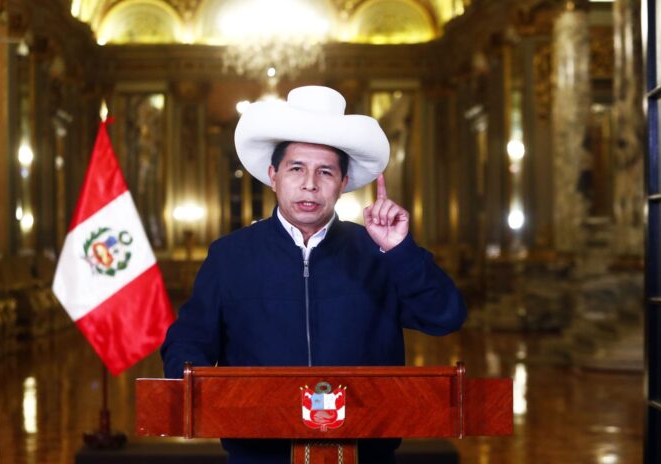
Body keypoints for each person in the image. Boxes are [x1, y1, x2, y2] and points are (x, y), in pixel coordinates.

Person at [161, 85, 467, 464]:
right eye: (296, 169)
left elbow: (445, 317)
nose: (310, 183)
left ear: (342, 183)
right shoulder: (230, 256)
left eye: (325, 171)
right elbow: (189, 340)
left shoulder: (378, 252)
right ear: (273, 175)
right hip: (259, 454)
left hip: (366, 452)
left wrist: (400, 251)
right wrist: (203, 390)